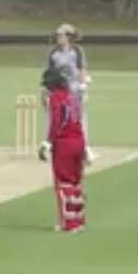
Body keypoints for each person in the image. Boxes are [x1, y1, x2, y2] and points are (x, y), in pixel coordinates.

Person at [38, 68, 87, 233]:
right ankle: (78, 220)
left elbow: (56, 121)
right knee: (75, 182)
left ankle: (69, 223)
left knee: (64, 183)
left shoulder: (56, 98)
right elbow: (78, 120)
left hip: (64, 144)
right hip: (78, 141)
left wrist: (47, 142)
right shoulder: (73, 97)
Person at [44, 22, 95, 163]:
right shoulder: (53, 52)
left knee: (78, 119)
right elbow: (47, 73)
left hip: (74, 91)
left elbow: (82, 70)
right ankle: (49, 146)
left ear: (68, 37)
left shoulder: (77, 51)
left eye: (61, 35)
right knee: (53, 118)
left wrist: (84, 88)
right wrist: (45, 92)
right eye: (57, 35)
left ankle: (85, 148)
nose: (58, 38)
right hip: (58, 91)